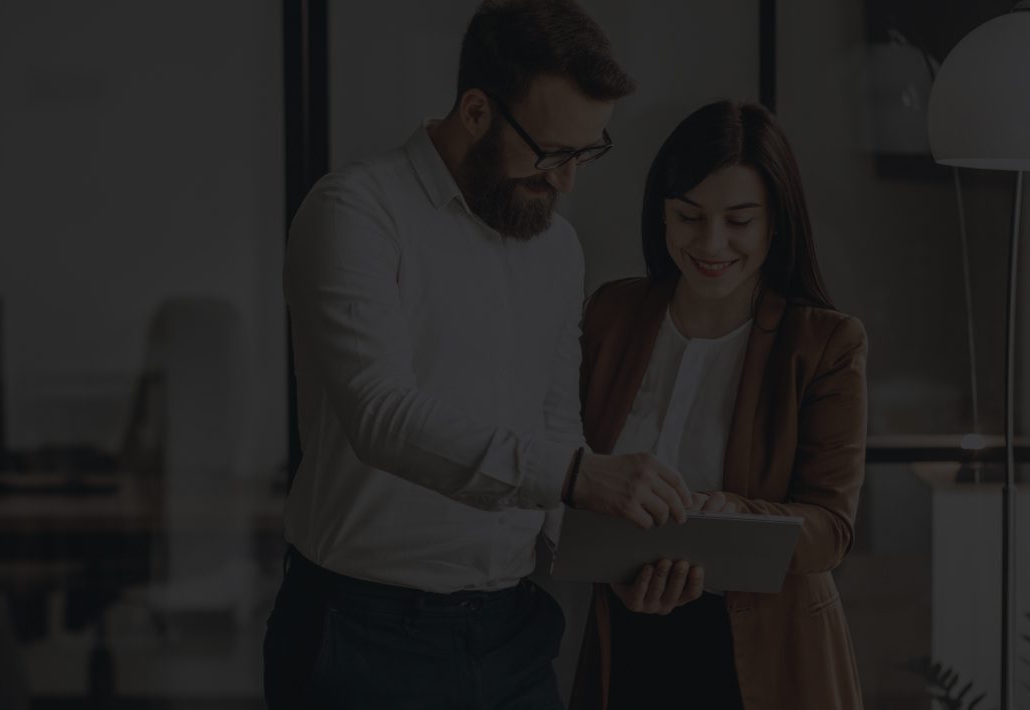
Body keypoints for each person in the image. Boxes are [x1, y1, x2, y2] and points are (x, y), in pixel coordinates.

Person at [265, 1, 706, 708]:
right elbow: (381, 413)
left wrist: (602, 559)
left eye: (586, 153)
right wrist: (576, 477)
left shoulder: (557, 248)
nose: (567, 181)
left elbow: (555, 424)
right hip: (361, 635)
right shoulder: (355, 212)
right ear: (475, 111)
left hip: (513, 631)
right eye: (552, 153)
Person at [569, 100, 869, 710]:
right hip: (627, 641)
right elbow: (566, 468)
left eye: (739, 220)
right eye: (689, 216)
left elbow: (830, 531)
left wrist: (735, 515)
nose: (711, 243)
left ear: (775, 223)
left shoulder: (825, 344)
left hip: (770, 656)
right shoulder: (611, 315)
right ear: (662, 214)